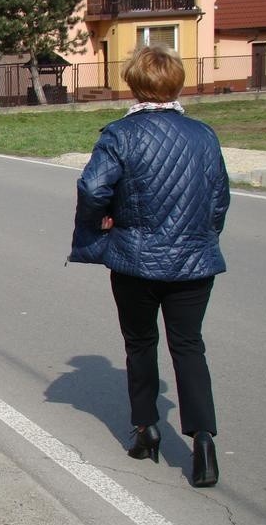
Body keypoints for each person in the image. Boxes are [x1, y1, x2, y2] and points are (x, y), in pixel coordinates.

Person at [68, 45, 230, 488]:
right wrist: (203, 235)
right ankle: (203, 443)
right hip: (195, 262)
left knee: (140, 343)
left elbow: (93, 187)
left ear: (134, 84)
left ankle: (146, 429)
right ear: (176, 83)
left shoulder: (120, 135)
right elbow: (219, 199)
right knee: (189, 346)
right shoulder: (204, 135)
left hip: (136, 260)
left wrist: (98, 225)